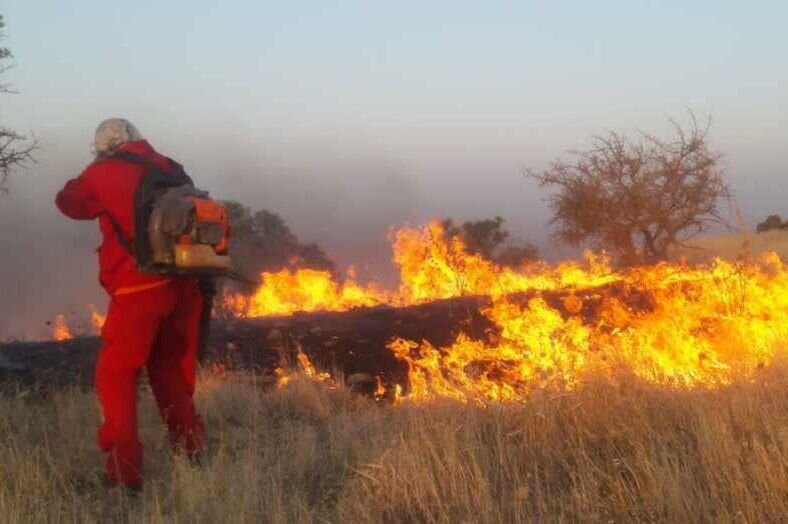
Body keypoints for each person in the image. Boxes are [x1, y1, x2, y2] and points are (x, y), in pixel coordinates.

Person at [55, 118, 205, 492]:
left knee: (116, 376)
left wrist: (93, 167)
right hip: (186, 286)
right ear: (137, 139)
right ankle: (192, 452)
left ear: (104, 148)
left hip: (140, 291)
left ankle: (124, 475)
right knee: (169, 371)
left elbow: (68, 203)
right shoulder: (170, 167)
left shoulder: (103, 172)